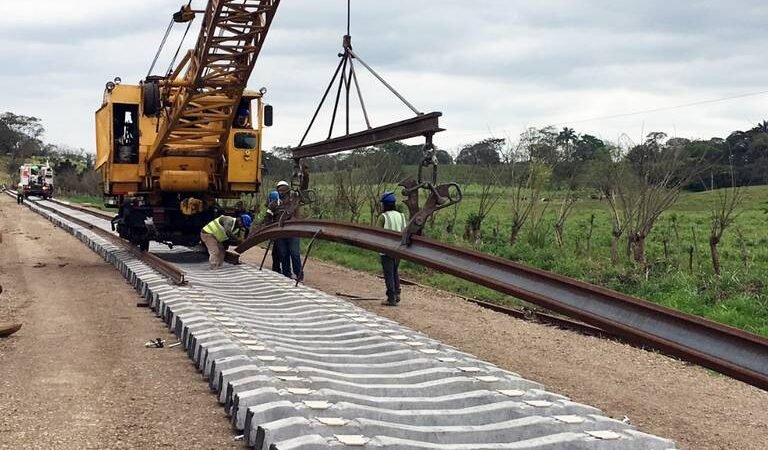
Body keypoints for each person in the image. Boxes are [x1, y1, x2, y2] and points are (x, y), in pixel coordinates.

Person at [376, 191, 406, 306]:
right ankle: (397, 293)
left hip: (386, 250)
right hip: (398, 250)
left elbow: (377, 233)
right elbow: (404, 231)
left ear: (384, 204)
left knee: (388, 273)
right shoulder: (401, 216)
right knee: (394, 271)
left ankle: (391, 298)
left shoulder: (383, 217)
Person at [275, 180, 304, 281]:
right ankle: (286, 275)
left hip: (293, 232)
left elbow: (299, 217)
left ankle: (299, 275)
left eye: (282, 190)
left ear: (287, 191)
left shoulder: (294, 204)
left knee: (294, 253)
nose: (280, 192)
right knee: (283, 254)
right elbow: (269, 218)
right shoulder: (275, 204)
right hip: (280, 234)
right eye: (279, 190)